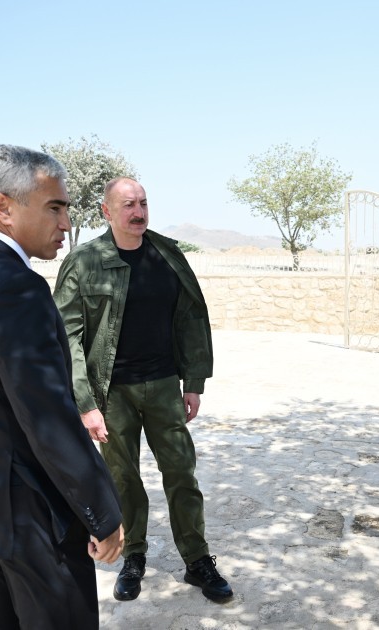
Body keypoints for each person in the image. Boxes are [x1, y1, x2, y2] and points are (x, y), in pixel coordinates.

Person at [0, 144, 125, 629]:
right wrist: (103, 512)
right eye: (54, 206)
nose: (67, 222)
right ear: (3, 207)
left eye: (67, 208)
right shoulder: (17, 288)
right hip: (33, 518)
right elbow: (48, 420)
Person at [53, 177, 232, 602]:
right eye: (128, 204)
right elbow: (67, 337)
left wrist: (194, 381)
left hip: (165, 386)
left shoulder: (167, 255)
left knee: (181, 474)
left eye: (143, 203)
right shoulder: (85, 262)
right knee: (123, 479)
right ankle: (133, 555)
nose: (138, 212)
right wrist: (85, 403)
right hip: (111, 392)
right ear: (106, 212)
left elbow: (191, 318)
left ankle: (197, 558)